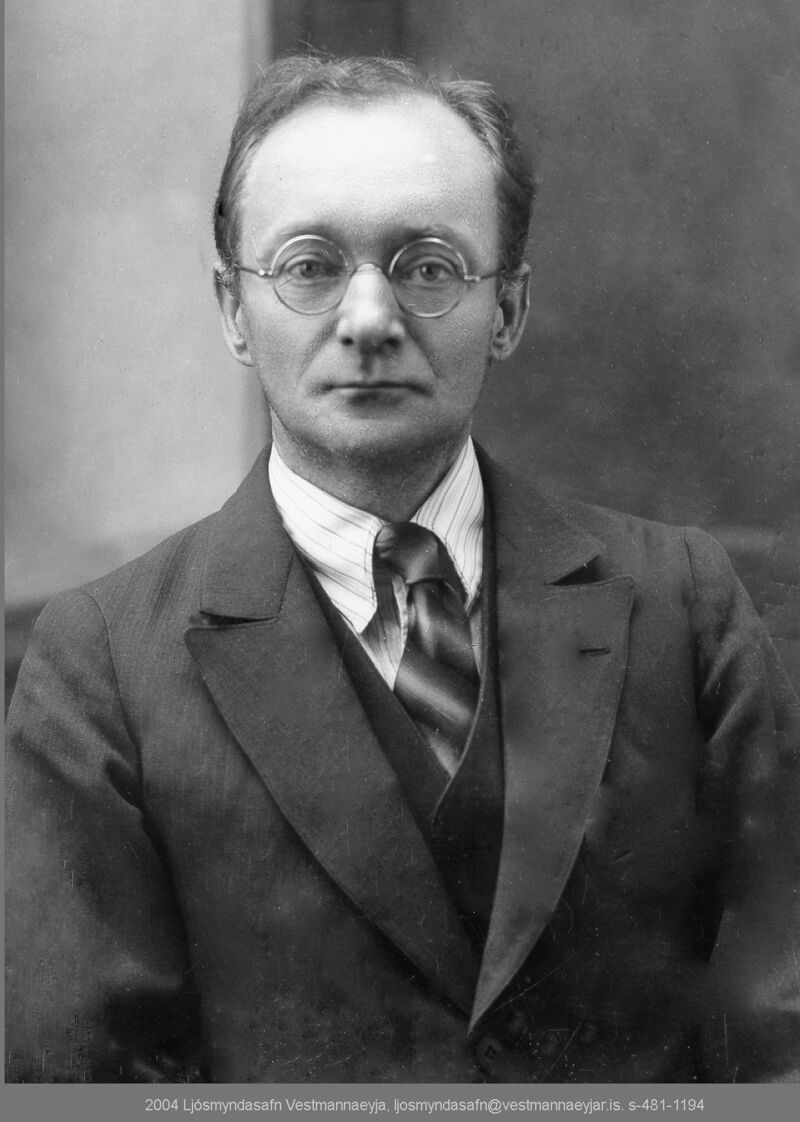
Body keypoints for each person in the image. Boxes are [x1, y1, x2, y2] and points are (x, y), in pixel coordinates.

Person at [6, 54, 800, 1085]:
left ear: (506, 310)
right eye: (308, 265)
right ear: (233, 310)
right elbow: (81, 1082)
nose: (370, 318)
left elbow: (781, 1027)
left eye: (428, 267)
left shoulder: (680, 605)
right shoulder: (103, 662)